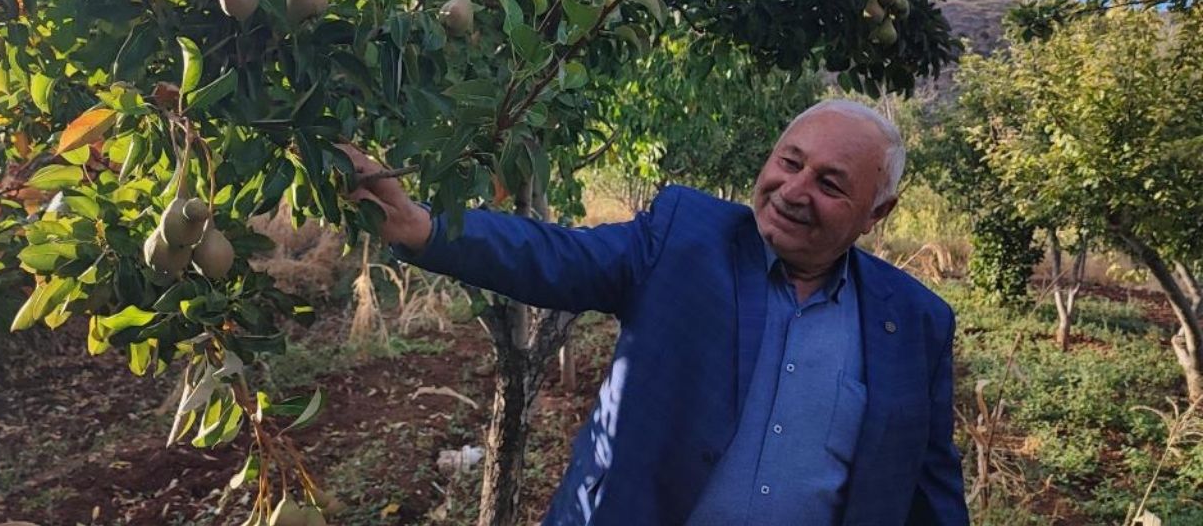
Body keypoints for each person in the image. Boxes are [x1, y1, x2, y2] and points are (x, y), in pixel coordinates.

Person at [341, 99, 968, 526]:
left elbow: (928, 482)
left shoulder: (914, 322)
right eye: (789, 162)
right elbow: (554, 255)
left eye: (831, 184)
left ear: (876, 213)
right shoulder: (685, 237)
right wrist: (423, 227)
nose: (795, 191)